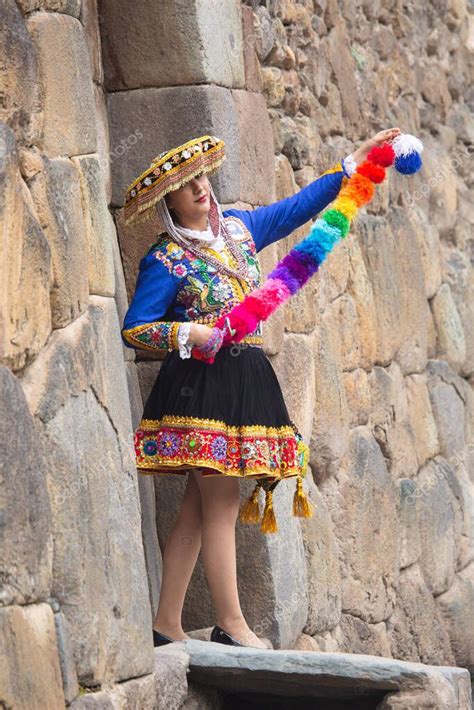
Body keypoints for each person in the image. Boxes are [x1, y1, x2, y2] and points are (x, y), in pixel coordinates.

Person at [121, 128, 401, 649]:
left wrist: (349, 166)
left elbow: (297, 208)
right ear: (170, 202)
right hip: (199, 387)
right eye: (186, 186)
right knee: (222, 501)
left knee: (198, 508)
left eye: (201, 177)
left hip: (243, 377)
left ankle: (166, 622)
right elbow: (135, 327)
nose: (201, 189)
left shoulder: (243, 231)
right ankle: (231, 624)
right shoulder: (163, 260)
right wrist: (187, 332)